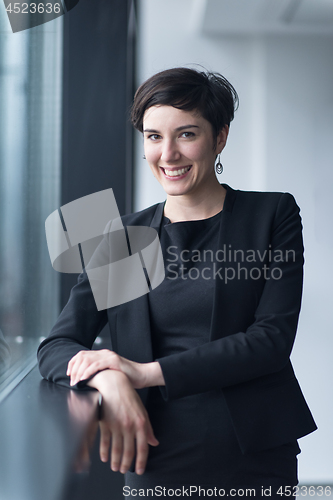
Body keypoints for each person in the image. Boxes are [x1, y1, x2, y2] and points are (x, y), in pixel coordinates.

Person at [38, 67, 317, 498]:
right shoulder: (124, 240)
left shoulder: (270, 216)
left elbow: (271, 340)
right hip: (152, 451)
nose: (168, 154)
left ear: (220, 137)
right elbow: (56, 346)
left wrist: (144, 374)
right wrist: (110, 380)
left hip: (253, 455)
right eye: (153, 137)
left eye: (186, 134)